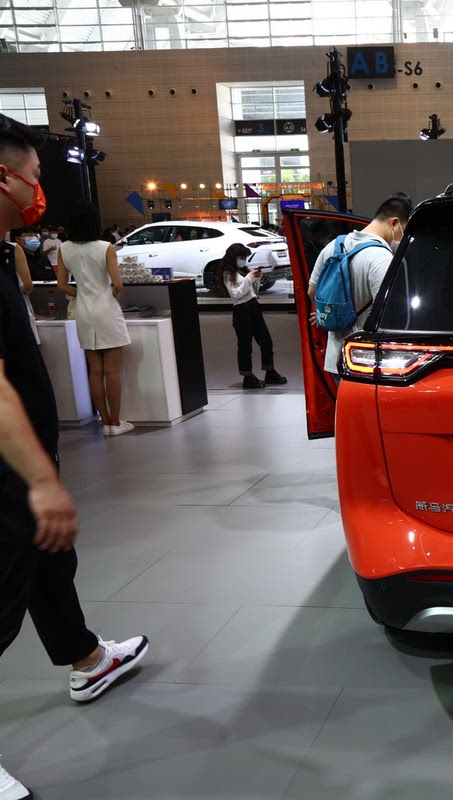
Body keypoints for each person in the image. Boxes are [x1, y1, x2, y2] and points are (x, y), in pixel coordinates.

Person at [0, 113, 149, 800]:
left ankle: (87, 658)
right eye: (33, 177)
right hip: (9, 467)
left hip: (26, 456)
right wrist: (38, 479)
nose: (40, 190)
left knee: (49, 561)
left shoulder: (9, 254)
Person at [308, 193, 412, 376]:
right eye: (404, 231)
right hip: (364, 361)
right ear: (394, 223)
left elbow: (312, 291)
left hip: (335, 358)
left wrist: (328, 314)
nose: (403, 239)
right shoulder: (381, 257)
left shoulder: (333, 245)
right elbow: (389, 313)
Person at [56, 202, 134, 436]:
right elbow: (118, 284)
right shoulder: (105, 247)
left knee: (95, 371)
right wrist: (108, 296)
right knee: (112, 371)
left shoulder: (64, 248)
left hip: (83, 311)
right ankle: (115, 423)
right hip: (106, 310)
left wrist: (82, 294)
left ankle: (105, 422)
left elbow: (62, 286)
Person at [218, 242, 287, 389]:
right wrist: (249, 278)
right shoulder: (228, 273)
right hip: (241, 310)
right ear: (233, 257)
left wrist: (256, 279)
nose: (243, 260)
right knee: (245, 346)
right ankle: (247, 376)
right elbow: (236, 294)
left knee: (266, 341)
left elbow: (253, 291)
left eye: (245, 257)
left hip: (253, 306)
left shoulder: (243, 271)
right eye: (241, 257)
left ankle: (270, 371)